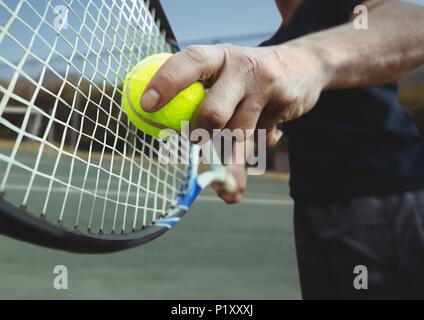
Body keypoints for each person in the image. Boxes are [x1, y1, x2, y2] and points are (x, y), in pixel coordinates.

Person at [140, 0, 424, 299]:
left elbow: (413, 22)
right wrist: (235, 164)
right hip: (310, 204)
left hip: (382, 199)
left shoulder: (336, 7)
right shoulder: (272, 46)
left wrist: (305, 60)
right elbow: (252, 130)